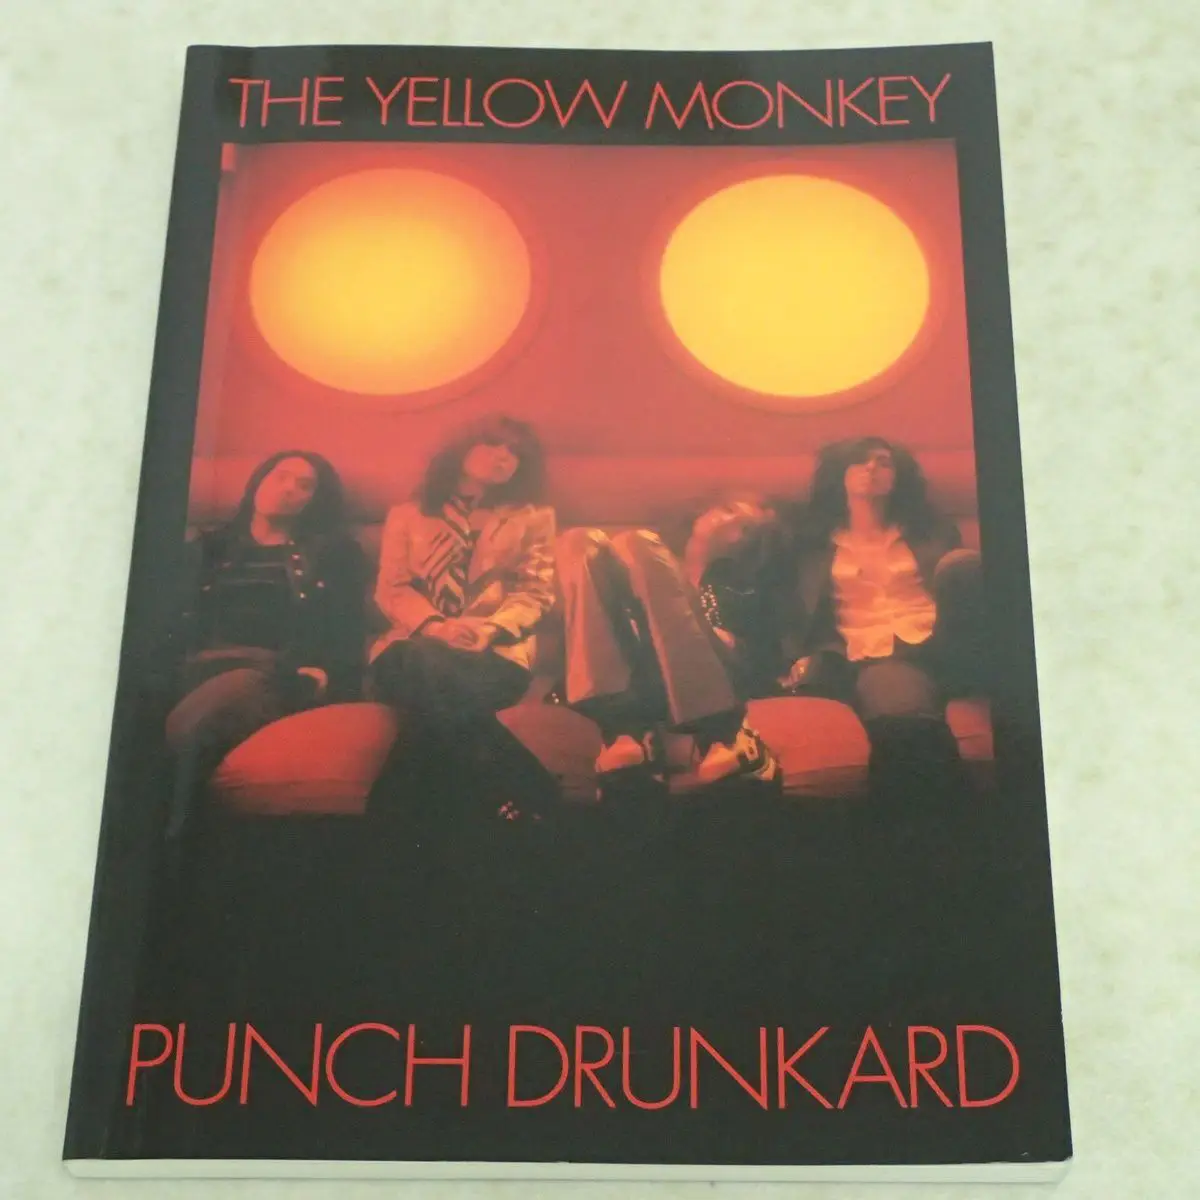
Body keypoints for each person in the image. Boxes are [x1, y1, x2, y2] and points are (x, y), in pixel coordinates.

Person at [367, 414, 559, 821]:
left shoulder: (533, 517)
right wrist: (437, 627)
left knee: (425, 713)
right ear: (462, 446)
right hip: (410, 647)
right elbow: (392, 589)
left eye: (515, 453)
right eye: (492, 444)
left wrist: (490, 629)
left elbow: (535, 591)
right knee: (421, 657)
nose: (503, 457)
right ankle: (524, 784)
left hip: (491, 654)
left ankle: (389, 819)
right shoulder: (407, 514)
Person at [165, 450, 367, 831]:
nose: (288, 488)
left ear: (315, 500)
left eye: (304, 485)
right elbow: (166, 619)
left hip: (268, 673)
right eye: (280, 475)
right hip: (194, 666)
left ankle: (172, 850)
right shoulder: (208, 547)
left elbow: (348, 630)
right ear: (259, 480)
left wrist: (323, 674)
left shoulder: (335, 554)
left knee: (189, 724)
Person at [779, 436, 980, 796]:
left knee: (961, 567)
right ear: (840, 474)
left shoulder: (932, 532)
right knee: (901, 711)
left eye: (883, 462)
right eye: (859, 461)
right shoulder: (809, 543)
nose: (871, 468)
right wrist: (802, 656)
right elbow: (783, 605)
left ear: (897, 477)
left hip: (948, 637)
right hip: (879, 654)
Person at [554, 494, 786, 791]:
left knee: (636, 543)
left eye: (743, 524)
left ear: (743, 539)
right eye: (726, 508)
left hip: (710, 677)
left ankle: (726, 736)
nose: (721, 516)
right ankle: (623, 732)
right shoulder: (640, 570)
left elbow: (757, 651)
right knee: (578, 541)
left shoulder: (742, 586)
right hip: (638, 675)